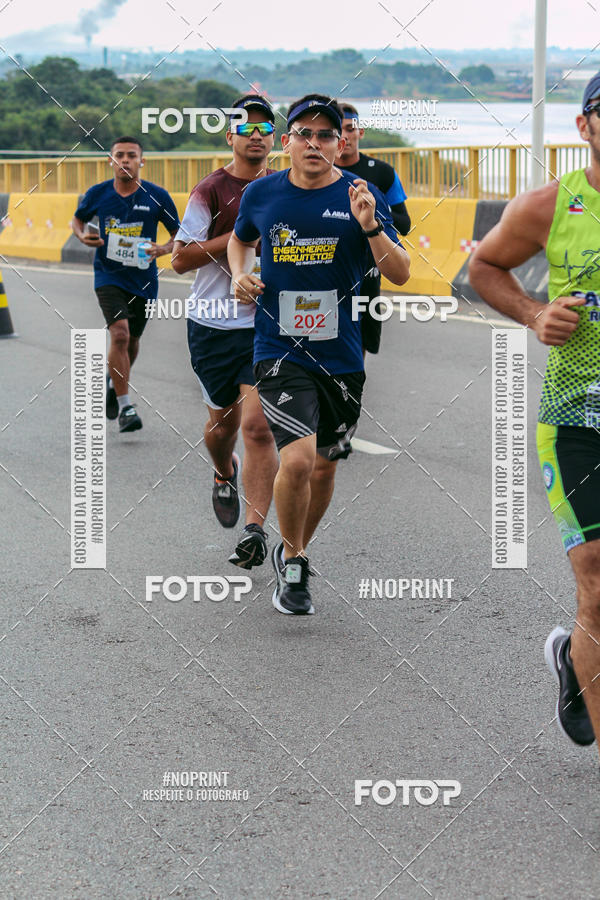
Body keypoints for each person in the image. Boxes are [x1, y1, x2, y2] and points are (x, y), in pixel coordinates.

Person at [228, 94, 410, 615]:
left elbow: (399, 273)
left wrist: (371, 225)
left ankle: (295, 550)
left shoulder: (361, 193)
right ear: (286, 143)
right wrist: (241, 272)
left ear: (341, 143)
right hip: (279, 348)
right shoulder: (263, 194)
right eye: (303, 134)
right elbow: (240, 242)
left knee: (325, 467)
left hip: (342, 356)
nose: (314, 143)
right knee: (300, 458)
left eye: (325, 135)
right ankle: (294, 560)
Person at [469, 72, 600, 752]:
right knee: (598, 581)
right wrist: (533, 311)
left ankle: (574, 666)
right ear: (585, 127)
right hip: (577, 417)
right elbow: (485, 267)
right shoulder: (550, 206)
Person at [172, 95, 279, 569]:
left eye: (264, 127)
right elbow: (179, 259)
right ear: (229, 136)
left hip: (269, 326)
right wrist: (238, 236)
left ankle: (255, 530)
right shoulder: (211, 190)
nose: (255, 134)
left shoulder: (287, 187)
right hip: (214, 324)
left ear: (274, 137)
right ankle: (222, 470)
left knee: (258, 428)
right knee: (223, 428)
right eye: (246, 127)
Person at [72, 136, 179, 432]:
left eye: (132, 155)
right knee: (119, 334)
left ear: (141, 161)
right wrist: (82, 237)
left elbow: (179, 235)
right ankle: (126, 407)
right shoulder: (98, 193)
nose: (125, 160)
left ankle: (113, 381)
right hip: (108, 275)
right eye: (120, 155)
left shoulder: (157, 196)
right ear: (111, 160)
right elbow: (78, 220)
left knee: (132, 342)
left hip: (143, 280)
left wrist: (162, 249)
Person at [335, 102, 411, 358]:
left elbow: (405, 223)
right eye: (339, 129)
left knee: (360, 346)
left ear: (360, 132)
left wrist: (373, 210)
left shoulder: (381, 173)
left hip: (368, 270)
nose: (345, 135)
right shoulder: (318, 174)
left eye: (350, 128)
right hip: (329, 266)